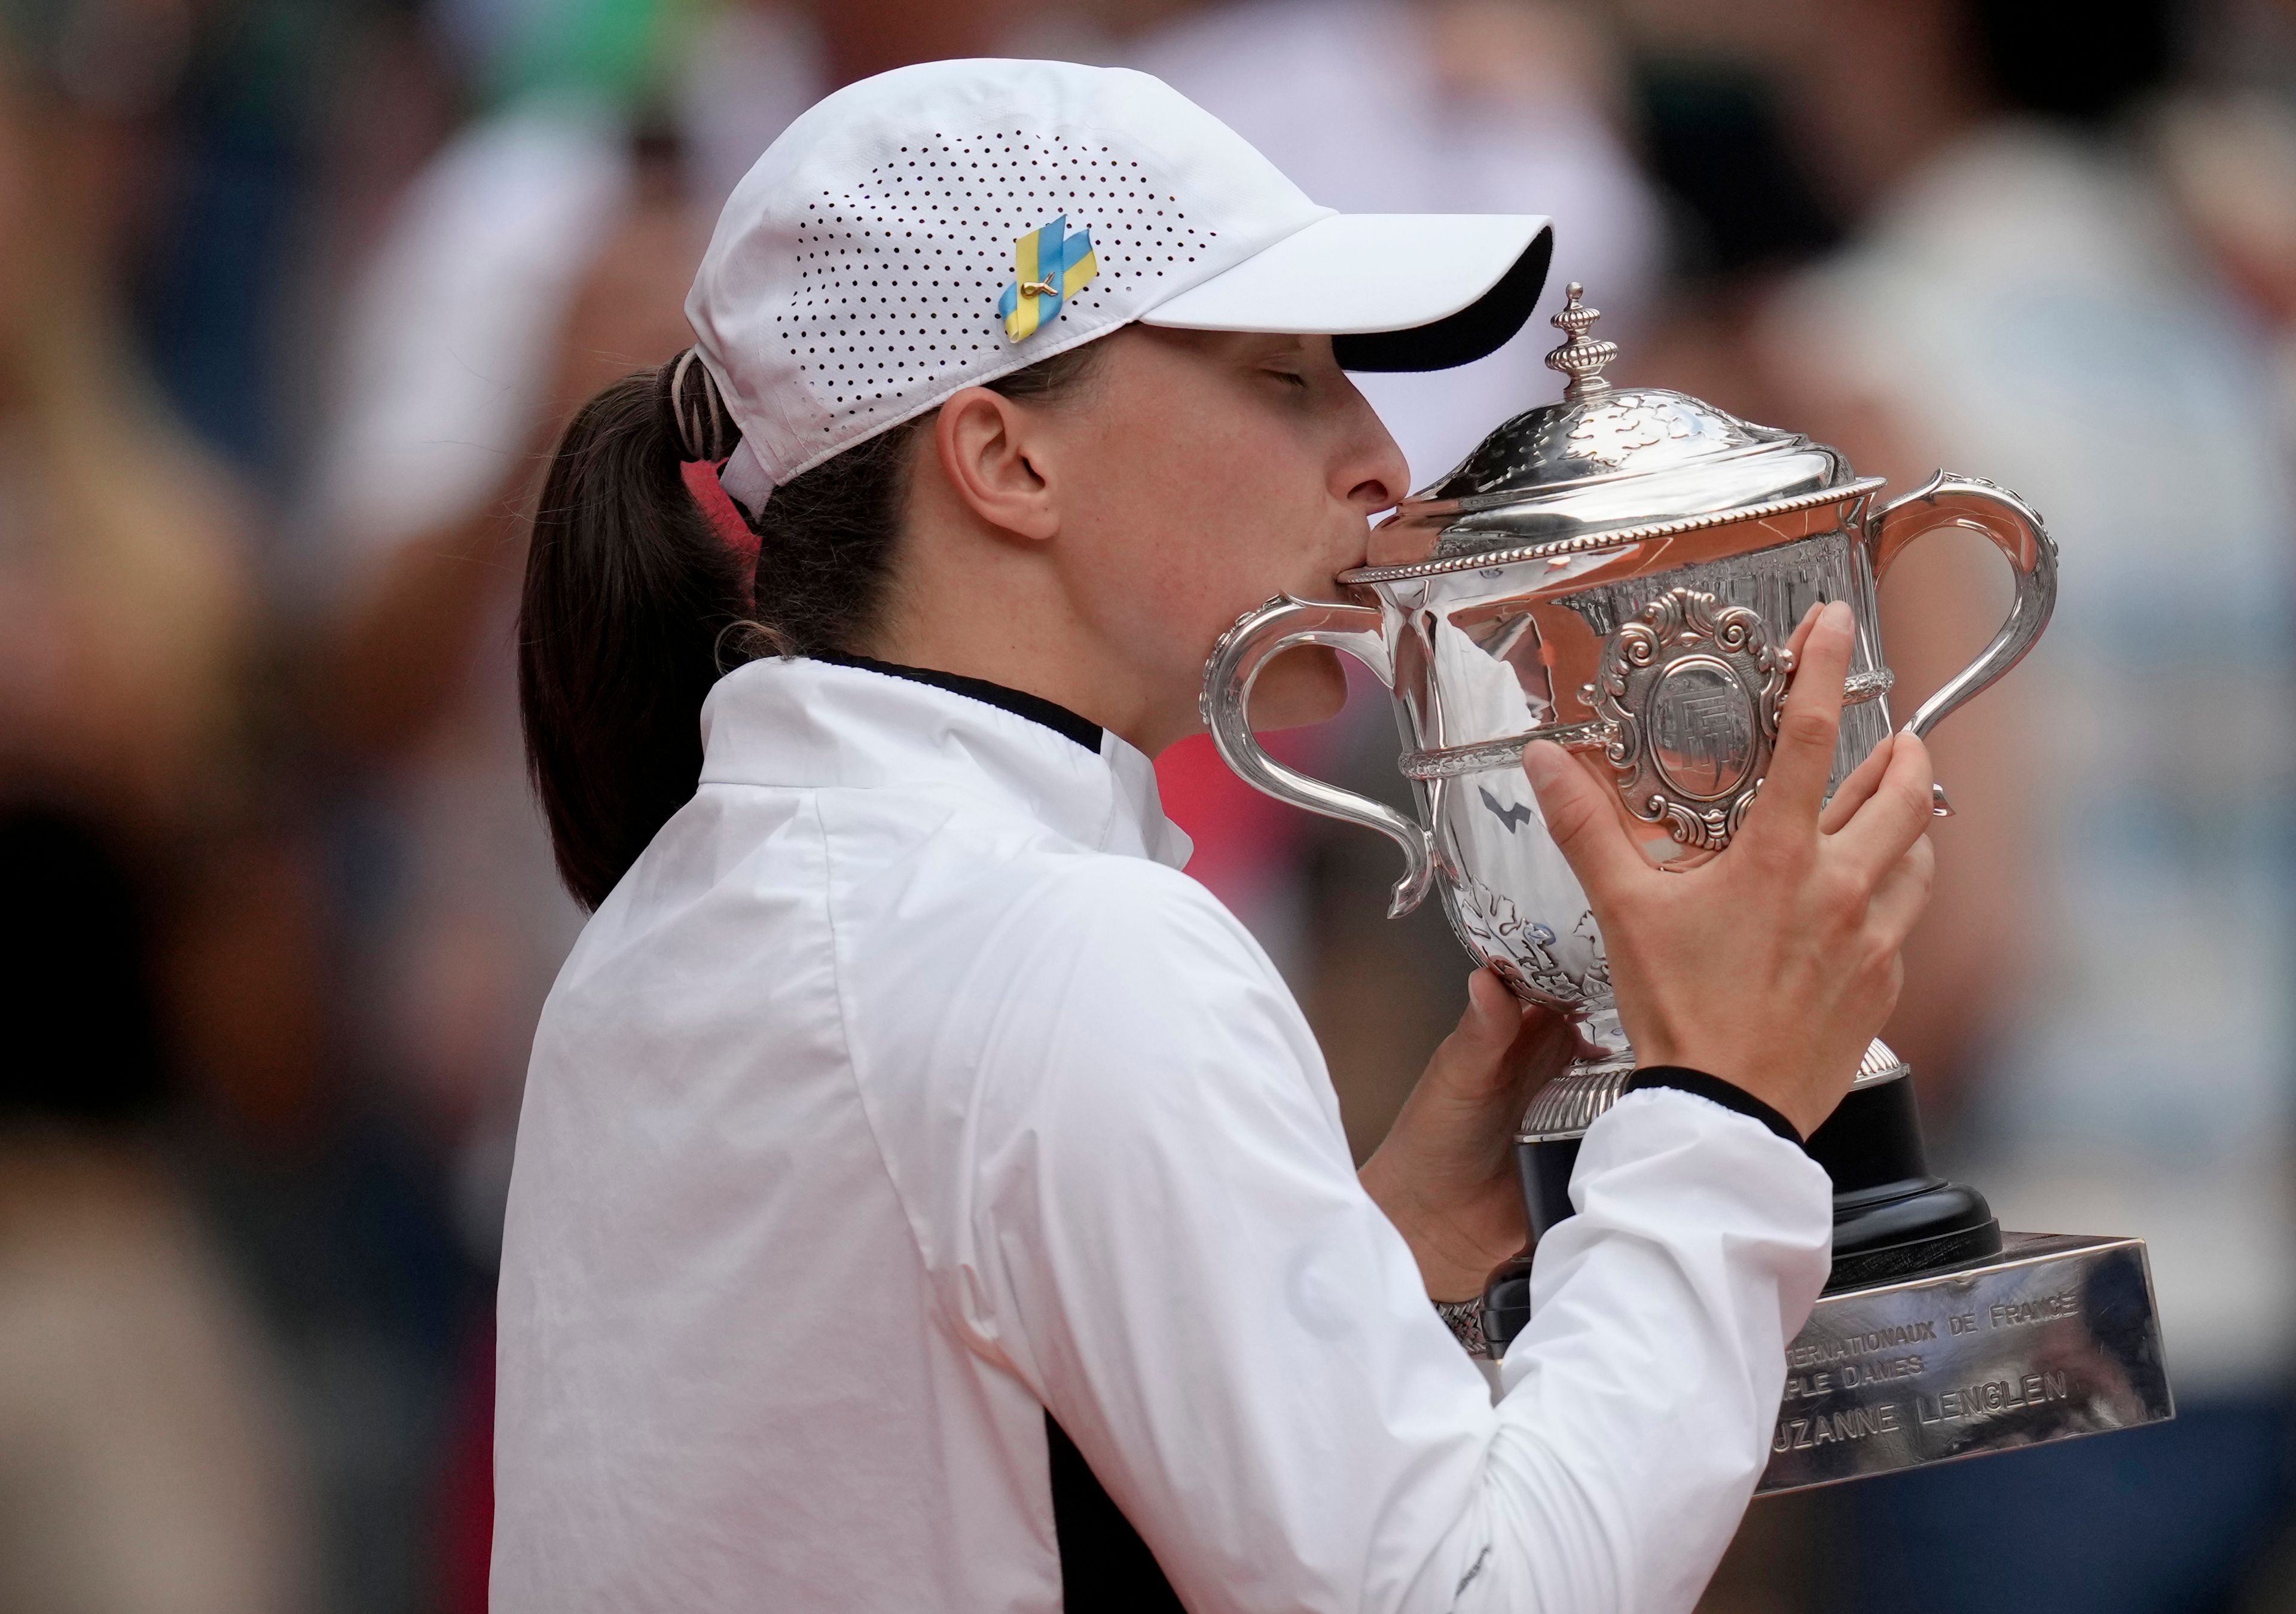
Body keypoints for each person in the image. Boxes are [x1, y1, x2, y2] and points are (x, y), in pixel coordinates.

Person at [490, 59, 1938, 1612]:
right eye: (1287, 376)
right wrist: (1720, 1106)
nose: (1384, 462)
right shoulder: (1064, 950)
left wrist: (1375, 1250)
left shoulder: (679, 912)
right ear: (1005, 459)